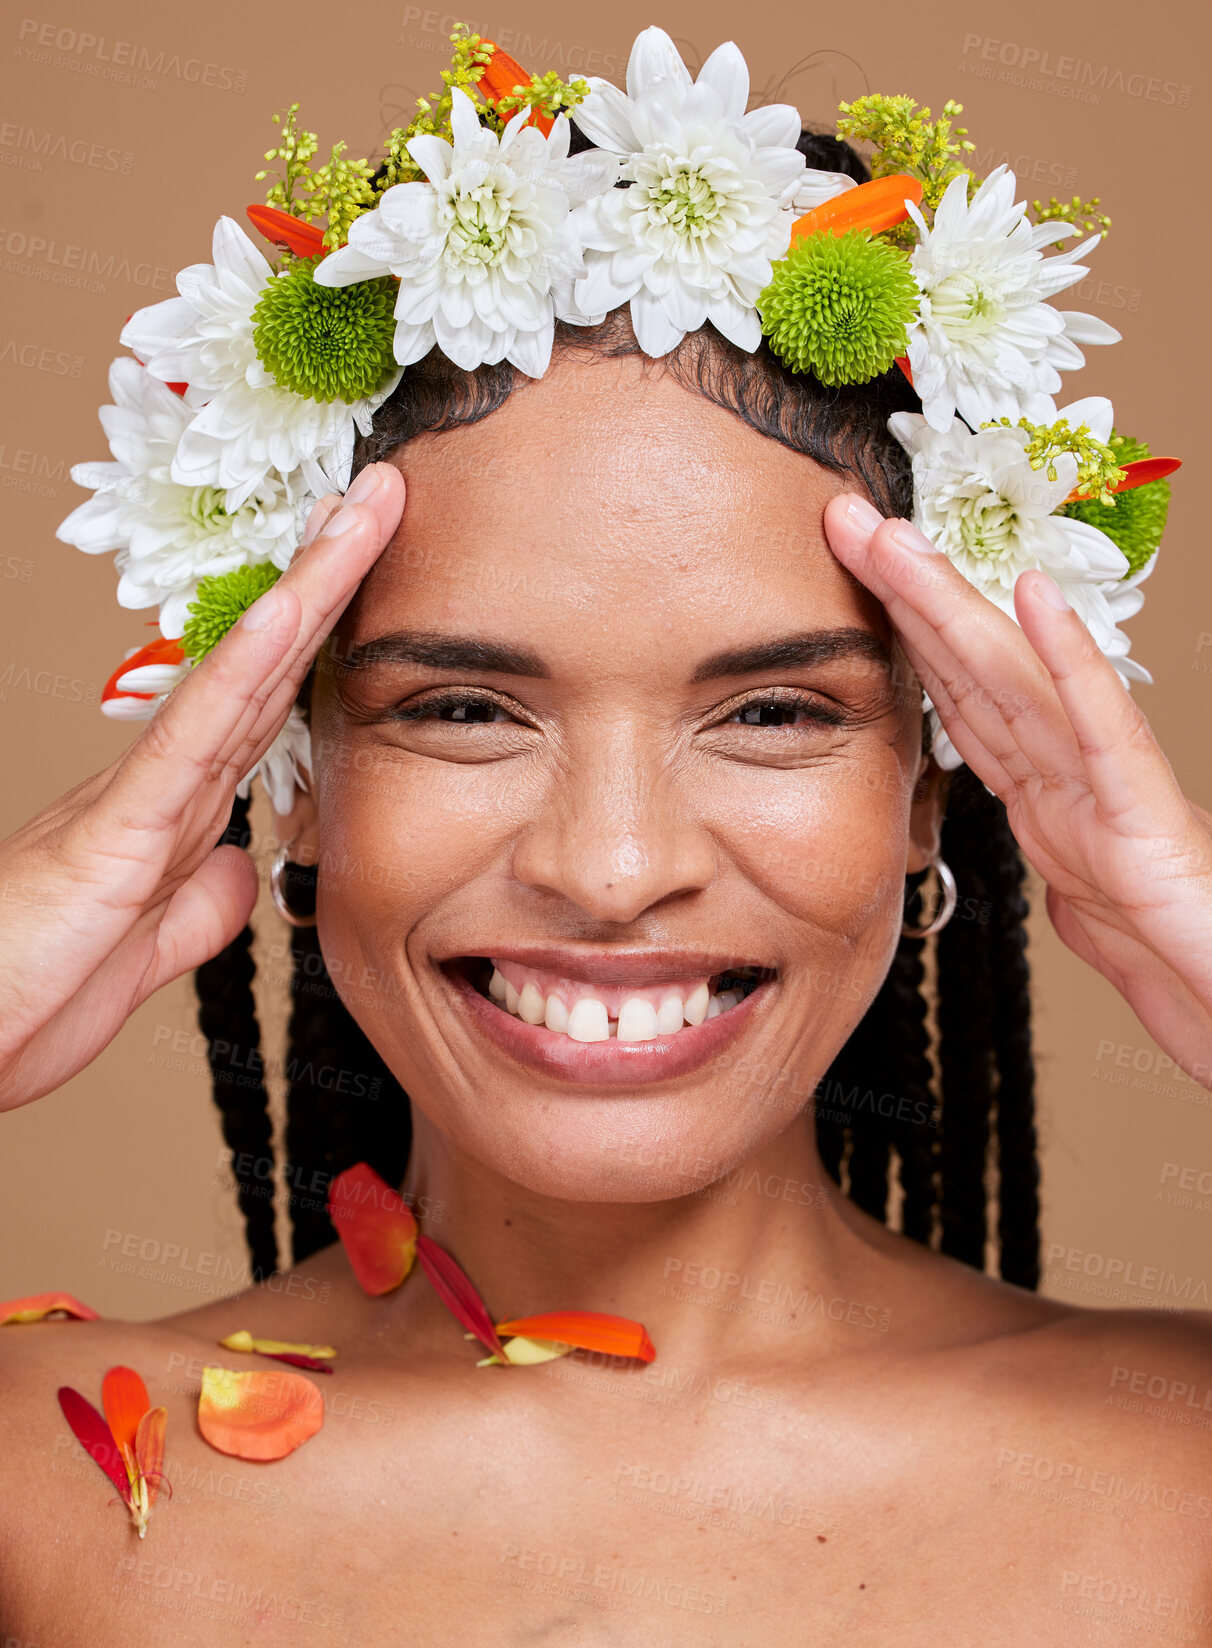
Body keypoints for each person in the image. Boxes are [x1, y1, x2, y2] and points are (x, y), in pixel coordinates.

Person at [1, 27, 1210, 1643]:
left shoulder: (1180, 1479)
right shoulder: (33, 1489)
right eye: (463, 709)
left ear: (933, 788)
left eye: (774, 712)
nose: (616, 867)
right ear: (293, 771)